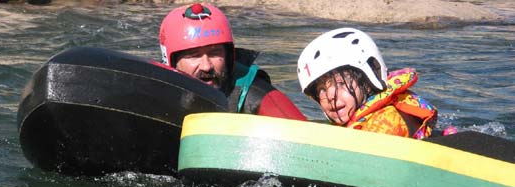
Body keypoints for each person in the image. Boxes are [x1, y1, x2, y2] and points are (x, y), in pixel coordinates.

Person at [159, 3, 307, 120]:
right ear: (172, 62)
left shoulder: (255, 94)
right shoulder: (157, 89)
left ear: (229, 56)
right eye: (194, 56)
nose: (206, 66)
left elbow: (305, 136)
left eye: (215, 53)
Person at [297, 28, 438, 139]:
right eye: (321, 89)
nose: (330, 96)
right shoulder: (358, 121)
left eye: (340, 83)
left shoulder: (388, 121)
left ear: (367, 80)